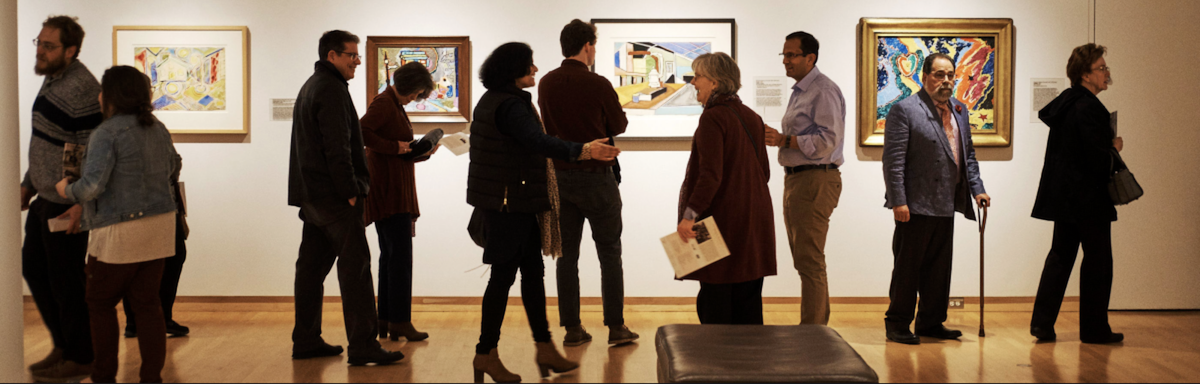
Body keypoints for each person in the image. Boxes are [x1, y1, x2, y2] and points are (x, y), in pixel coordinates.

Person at [468, 42, 619, 383]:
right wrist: (585, 150)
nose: (535, 70)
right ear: (513, 69)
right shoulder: (510, 105)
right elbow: (539, 142)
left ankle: (545, 348)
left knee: (533, 274)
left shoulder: (496, 100)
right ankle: (485, 354)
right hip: (510, 205)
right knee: (503, 278)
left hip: (515, 202)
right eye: (529, 65)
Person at [55, 65, 179, 384]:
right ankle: (151, 377)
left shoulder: (107, 132)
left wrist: (66, 190)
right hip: (161, 225)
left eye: (103, 90)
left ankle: (104, 376)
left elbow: (93, 186)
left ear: (111, 96)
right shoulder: (157, 127)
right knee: (148, 305)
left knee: (99, 302)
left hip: (120, 230)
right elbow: (173, 166)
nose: (98, 96)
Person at [287, 30, 403, 366]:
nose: (356, 60)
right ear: (331, 56)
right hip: (336, 198)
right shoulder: (331, 90)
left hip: (313, 196)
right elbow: (336, 146)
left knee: (310, 269)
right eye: (350, 54)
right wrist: (350, 190)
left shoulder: (313, 86)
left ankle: (306, 339)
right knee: (356, 270)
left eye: (356, 54)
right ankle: (364, 345)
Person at [538, 19, 637, 347]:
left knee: (566, 256)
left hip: (560, 179)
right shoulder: (598, 84)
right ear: (587, 46)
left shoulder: (547, 84)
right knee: (610, 252)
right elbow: (619, 124)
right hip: (597, 177)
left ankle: (572, 329)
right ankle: (616, 327)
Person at [882, 53, 990, 345]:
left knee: (939, 269)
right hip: (914, 205)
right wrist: (898, 201)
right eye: (939, 75)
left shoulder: (959, 109)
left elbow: (968, 156)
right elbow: (893, 162)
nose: (946, 81)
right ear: (924, 77)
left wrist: (977, 189)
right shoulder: (904, 110)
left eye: (950, 75)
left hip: (946, 203)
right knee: (908, 268)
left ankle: (930, 321)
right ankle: (898, 323)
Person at [22, 15, 101, 382]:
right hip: (45, 196)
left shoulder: (82, 88)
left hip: (65, 201)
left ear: (70, 51)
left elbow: (89, 150)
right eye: (38, 43)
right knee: (37, 271)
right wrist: (28, 181)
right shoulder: (54, 80)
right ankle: (63, 345)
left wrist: (79, 201)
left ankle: (82, 355)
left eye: (48, 46)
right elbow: (46, 141)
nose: (39, 51)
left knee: (67, 281)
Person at [1030, 43, 1124, 344]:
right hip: (1089, 199)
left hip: (1064, 198)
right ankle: (1094, 329)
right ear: (1085, 75)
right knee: (1098, 262)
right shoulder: (1089, 108)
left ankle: (1042, 324)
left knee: (1060, 258)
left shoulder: (1066, 104)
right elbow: (1094, 158)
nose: (1107, 74)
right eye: (1101, 68)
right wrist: (1114, 149)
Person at [675, 52, 776, 325]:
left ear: (715, 83)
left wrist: (689, 216)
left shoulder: (713, 118)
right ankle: (750, 364)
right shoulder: (751, 117)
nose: (694, 82)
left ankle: (715, 366)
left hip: (723, 222)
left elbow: (709, 176)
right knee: (748, 298)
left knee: (715, 297)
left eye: (698, 77)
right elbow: (763, 172)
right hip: (755, 219)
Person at [763, 31, 846, 325]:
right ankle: (814, 327)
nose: (785, 61)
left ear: (810, 58)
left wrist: (785, 140)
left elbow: (828, 141)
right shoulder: (802, 90)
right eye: (783, 55)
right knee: (805, 260)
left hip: (815, 179)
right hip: (799, 180)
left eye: (791, 55)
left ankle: (814, 331)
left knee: (810, 261)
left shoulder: (822, 90)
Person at [360, 61, 437, 342]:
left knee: (391, 257)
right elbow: (362, 132)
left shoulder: (392, 103)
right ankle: (400, 321)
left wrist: (422, 151)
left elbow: (397, 147)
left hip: (391, 187)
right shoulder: (384, 103)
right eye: (418, 94)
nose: (416, 98)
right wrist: (395, 147)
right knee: (400, 258)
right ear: (413, 88)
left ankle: (386, 319)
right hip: (389, 191)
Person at [123, 155, 190, 339]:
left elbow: (174, 165)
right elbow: (173, 165)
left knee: (163, 260)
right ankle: (149, 319)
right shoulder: (148, 134)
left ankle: (142, 321)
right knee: (149, 263)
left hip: (157, 208)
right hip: (149, 208)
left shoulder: (154, 133)